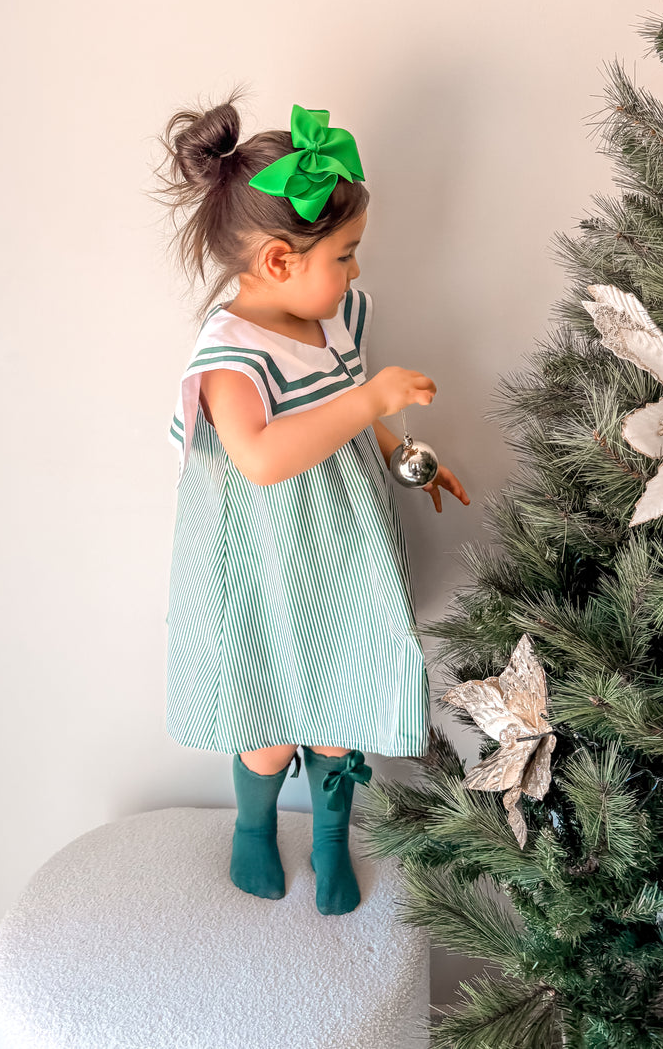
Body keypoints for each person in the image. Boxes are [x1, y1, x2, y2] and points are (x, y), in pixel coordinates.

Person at [153, 88, 470, 916]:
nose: (357, 271)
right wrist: (373, 406)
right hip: (260, 564)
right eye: (346, 253)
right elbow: (260, 459)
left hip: (338, 551)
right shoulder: (230, 354)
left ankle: (331, 838)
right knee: (264, 728)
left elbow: (348, 403)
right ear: (282, 261)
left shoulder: (331, 318)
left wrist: (408, 453)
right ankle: (254, 828)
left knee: (337, 716)